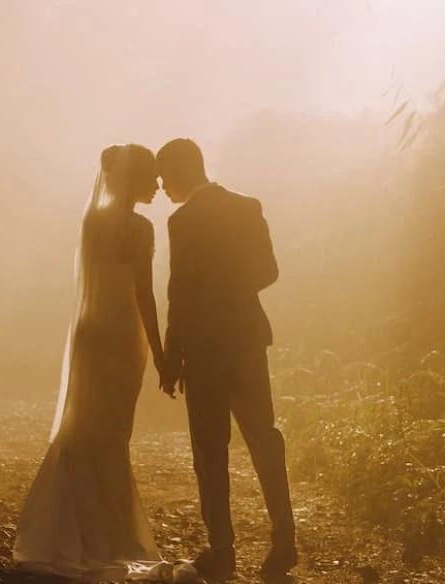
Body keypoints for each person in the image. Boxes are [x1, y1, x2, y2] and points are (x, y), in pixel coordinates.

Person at [12, 144, 171, 581]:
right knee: (112, 435)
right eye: (151, 176)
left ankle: (71, 530)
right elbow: (144, 294)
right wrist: (159, 353)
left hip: (89, 333)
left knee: (81, 431)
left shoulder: (92, 222)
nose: (158, 185)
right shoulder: (138, 228)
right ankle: (107, 536)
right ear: (131, 178)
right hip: (121, 335)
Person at [155, 137, 297, 580]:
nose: (161, 187)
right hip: (247, 340)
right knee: (264, 439)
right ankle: (284, 540)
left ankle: (223, 550)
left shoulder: (182, 221)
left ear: (181, 172)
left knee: (210, 450)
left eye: (164, 177)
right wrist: (232, 289)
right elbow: (269, 271)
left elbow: (178, 290)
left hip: (203, 349)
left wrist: (171, 354)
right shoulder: (246, 206)